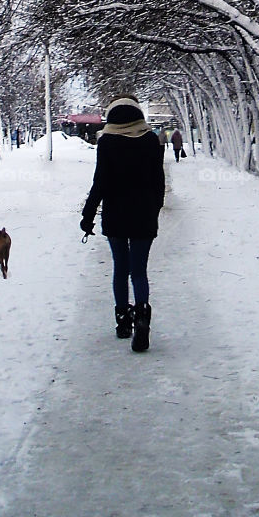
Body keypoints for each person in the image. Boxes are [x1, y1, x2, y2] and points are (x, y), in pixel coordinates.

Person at [80, 96, 166, 352]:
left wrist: (88, 215)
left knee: (120, 268)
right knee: (139, 271)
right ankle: (141, 318)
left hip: (115, 215)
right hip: (143, 215)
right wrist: (155, 208)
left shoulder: (107, 142)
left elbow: (100, 182)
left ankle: (123, 322)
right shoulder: (151, 140)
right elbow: (158, 181)